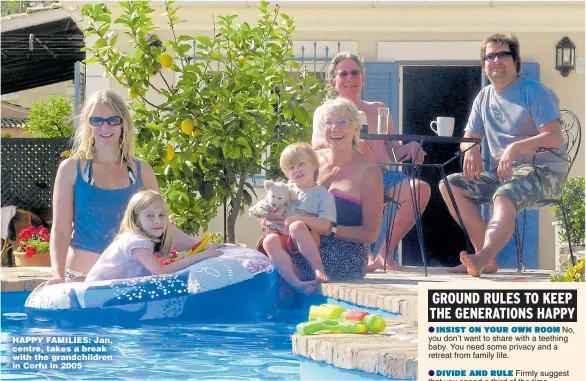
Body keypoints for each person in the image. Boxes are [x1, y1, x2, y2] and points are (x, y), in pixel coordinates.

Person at [439, 33, 566, 277]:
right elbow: (469, 137)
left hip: (546, 173)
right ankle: (485, 257)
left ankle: (484, 255)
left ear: (515, 61)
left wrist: (516, 147)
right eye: (490, 56)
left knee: (504, 193)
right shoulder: (484, 96)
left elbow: (554, 137)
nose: (496, 60)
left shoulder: (534, 91)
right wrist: (472, 148)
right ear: (484, 64)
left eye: (503, 55)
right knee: (450, 186)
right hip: (506, 173)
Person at [45, 90, 200, 285]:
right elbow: (61, 230)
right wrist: (57, 276)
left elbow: (159, 225)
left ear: (123, 123)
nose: (105, 126)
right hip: (81, 278)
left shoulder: (142, 172)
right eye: (97, 120)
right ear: (88, 124)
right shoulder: (71, 169)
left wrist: (202, 246)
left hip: (132, 279)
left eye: (113, 120)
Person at [312, 52, 431, 271]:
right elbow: (318, 146)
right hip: (347, 176)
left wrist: (411, 147)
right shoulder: (325, 112)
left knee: (420, 189)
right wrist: (351, 142)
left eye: (355, 72)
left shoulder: (378, 109)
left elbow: (394, 148)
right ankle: (363, 255)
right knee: (341, 192)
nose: (350, 78)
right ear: (333, 82)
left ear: (363, 78)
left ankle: (385, 254)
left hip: (382, 175)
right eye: (343, 73)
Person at [264, 97, 383, 286]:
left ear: (355, 128)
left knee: (277, 272)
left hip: (345, 252)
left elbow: (370, 234)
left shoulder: (369, 173)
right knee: (264, 254)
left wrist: (331, 229)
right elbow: (287, 196)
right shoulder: (311, 159)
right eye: (329, 122)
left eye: (343, 122)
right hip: (302, 239)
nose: (335, 128)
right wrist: (272, 218)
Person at [86, 190, 222, 282]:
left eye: (161, 215)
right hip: (95, 292)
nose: (157, 221)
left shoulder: (144, 239)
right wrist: (199, 257)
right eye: (150, 215)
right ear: (136, 219)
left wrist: (208, 248)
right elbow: (160, 271)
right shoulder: (136, 242)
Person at [259, 143, 336, 293]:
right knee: (269, 240)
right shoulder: (285, 190)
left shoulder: (322, 194)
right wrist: (269, 218)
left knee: (297, 226)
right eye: (291, 168)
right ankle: (295, 281)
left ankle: (318, 270)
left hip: (307, 236)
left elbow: (326, 226)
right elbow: (267, 211)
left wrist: (300, 218)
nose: (297, 170)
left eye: (301, 164)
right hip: (283, 236)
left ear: (314, 164)